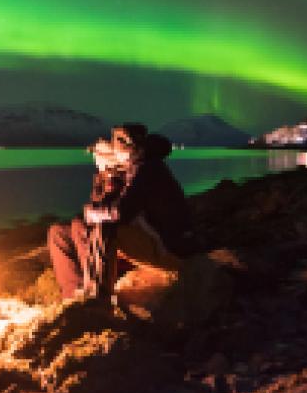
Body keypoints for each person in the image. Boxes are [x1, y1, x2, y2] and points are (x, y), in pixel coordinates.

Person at [47, 123, 201, 302]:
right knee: (59, 231)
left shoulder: (145, 170)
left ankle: (98, 296)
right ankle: (73, 293)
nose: (97, 160)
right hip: (149, 238)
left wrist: (93, 209)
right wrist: (104, 181)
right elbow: (105, 207)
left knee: (97, 227)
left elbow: (120, 212)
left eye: (101, 155)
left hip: (169, 247)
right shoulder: (123, 172)